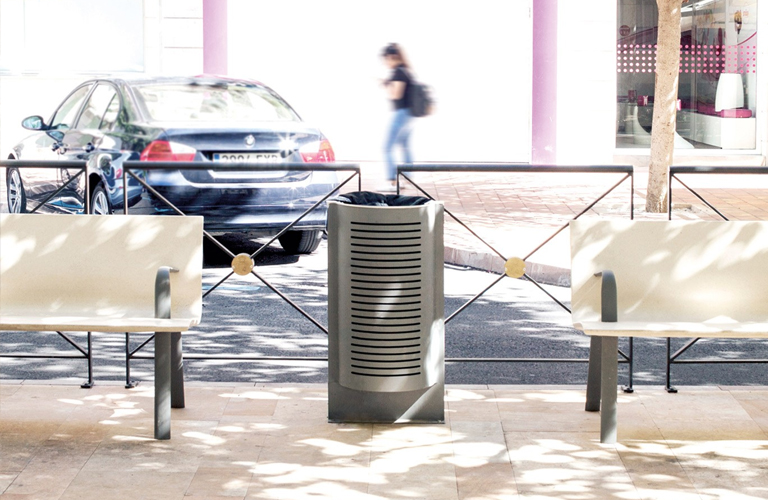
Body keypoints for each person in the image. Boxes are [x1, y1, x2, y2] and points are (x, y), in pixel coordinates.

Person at [381, 43, 414, 189]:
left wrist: (387, 85)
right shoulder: (406, 70)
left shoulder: (398, 73)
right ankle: (407, 177)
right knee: (404, 146)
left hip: (401, 114)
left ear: (390, 57)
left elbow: (396, 94)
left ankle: (393, 181)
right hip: (409, 115)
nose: (385, 63)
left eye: (385, 59)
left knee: (387, 147)